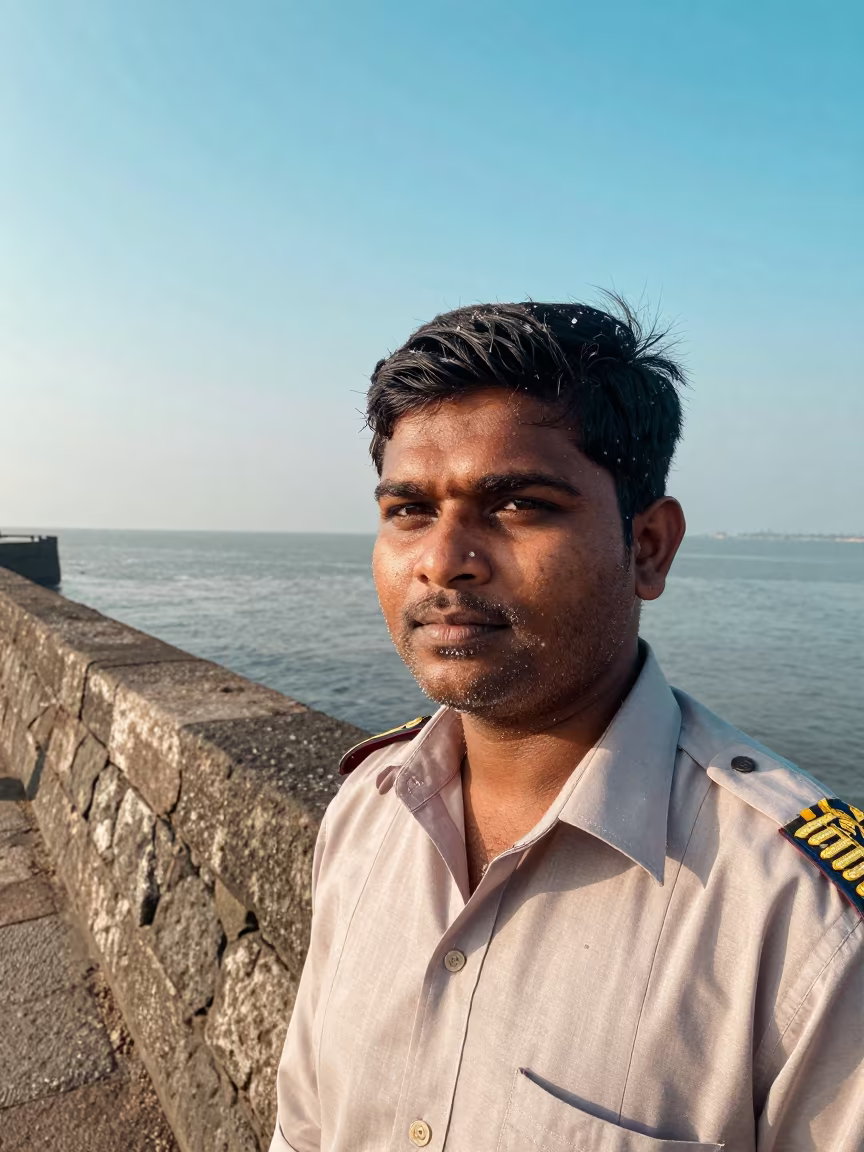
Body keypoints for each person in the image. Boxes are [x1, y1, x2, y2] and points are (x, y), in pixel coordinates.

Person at [270, 299, 863, 1152]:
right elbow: (306, 1127)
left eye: (518, 505)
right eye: (408, 511)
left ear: (649, 547)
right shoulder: (366, 811)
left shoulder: (802, 920)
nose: (442, 558)